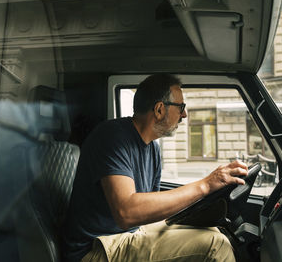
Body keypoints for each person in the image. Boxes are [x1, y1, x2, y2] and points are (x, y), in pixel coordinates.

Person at [63, 74, 248, 261]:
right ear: (159, 109)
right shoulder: (112, 137)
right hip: (95, 249)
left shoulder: (153, 149)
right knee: (215, 244)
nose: (184, 114)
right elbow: (126, 213)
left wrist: (197, 214)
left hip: (128, 235)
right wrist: (205, 185)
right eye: (181, 107)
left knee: (214, 231)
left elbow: (152, 211)